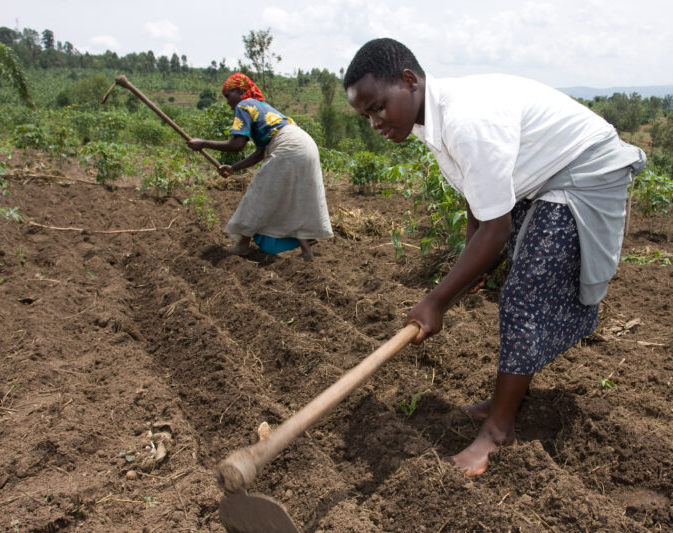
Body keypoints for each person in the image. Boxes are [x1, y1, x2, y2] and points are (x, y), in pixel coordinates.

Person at [344, 38, 646, 476]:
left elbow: (497, 228)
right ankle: (508, 397)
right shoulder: (434, 119)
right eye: (366, 114)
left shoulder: (468, 120)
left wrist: (436, 301)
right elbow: (479, 199)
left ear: (409, 81)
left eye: (377, 107)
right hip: (541, 179)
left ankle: (499, 430)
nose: (374, 121)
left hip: (584, 172)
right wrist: (473, 258)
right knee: (521, 281)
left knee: (526, 293)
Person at [187, 73, 333, 261]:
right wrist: (234, 168)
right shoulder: (262, 107)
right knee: (295, 198)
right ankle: (306, 251)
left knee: (259, 192)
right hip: (305, 144)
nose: (227, 101)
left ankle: (242, 244)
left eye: (227, 95)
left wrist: (203, 143)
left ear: (239, 91)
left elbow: (237, 144)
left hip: (288, 147)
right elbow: (259, 153)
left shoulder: (244, 105)